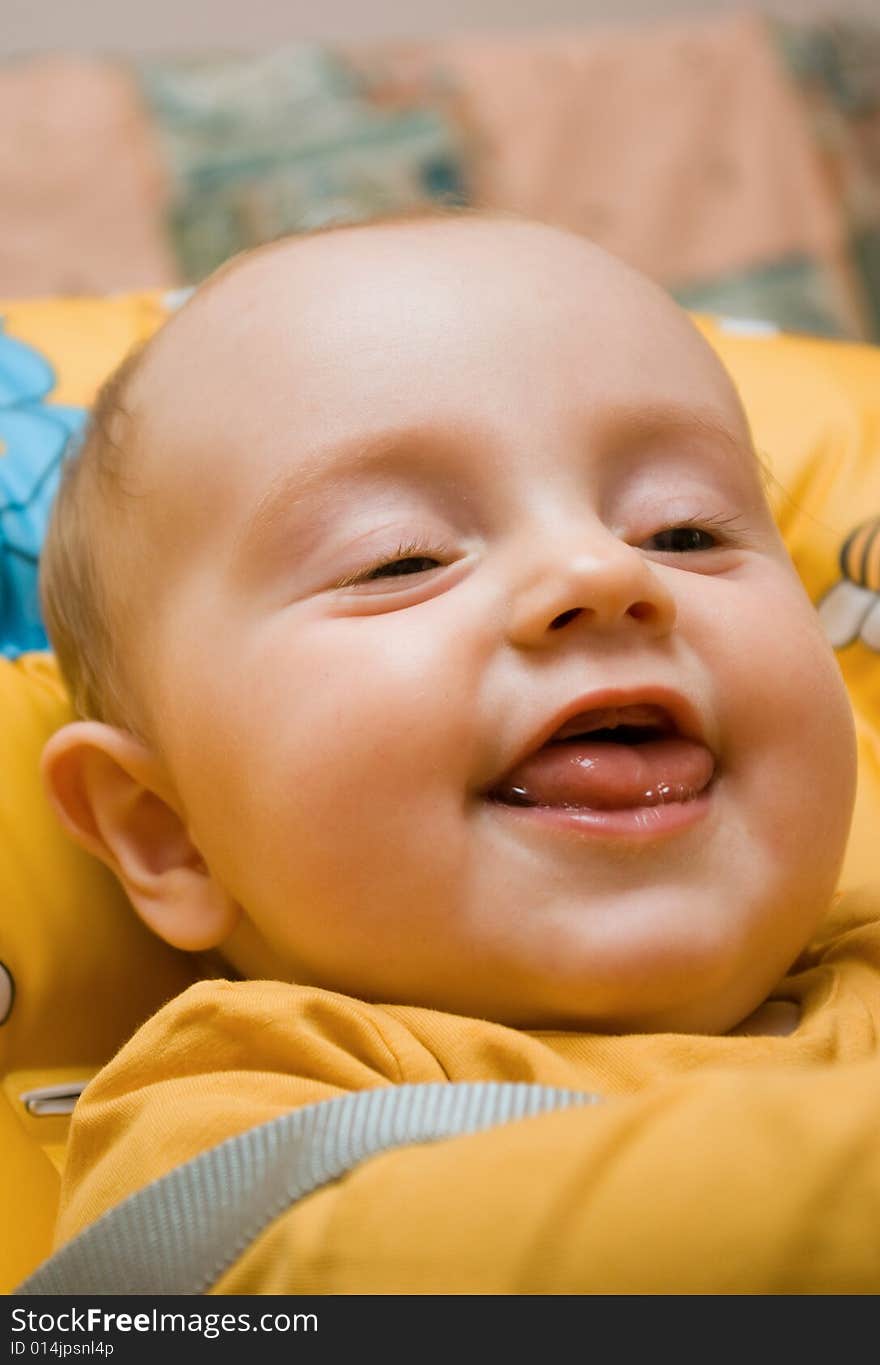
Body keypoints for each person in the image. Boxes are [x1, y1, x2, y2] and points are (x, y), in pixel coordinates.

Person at [34, 210, 880, 1292]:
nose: (601, 572)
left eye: (684, 532)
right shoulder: (251, 1100)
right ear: (169, 836)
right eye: (402, 557)